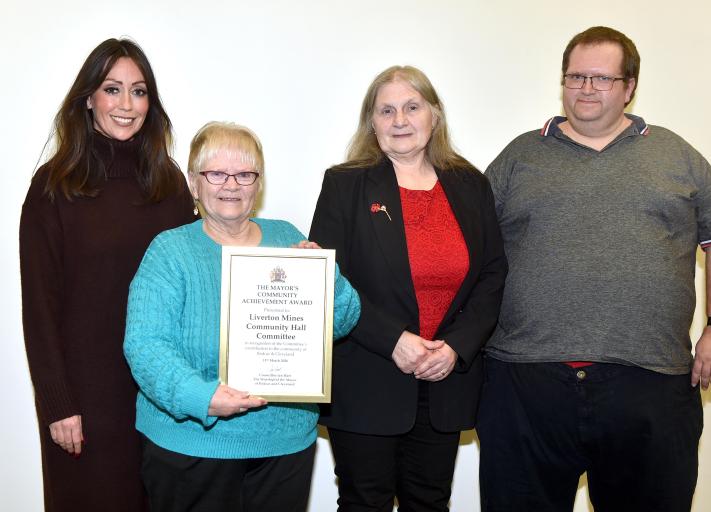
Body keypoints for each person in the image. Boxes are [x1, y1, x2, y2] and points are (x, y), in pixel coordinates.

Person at [478, 26, 711, 512]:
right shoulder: (519, 156)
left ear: (629, 87)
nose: (585, 89)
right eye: (576, 76)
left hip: (650, 382)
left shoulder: (676, 155)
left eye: (601, 79)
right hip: (526, 382)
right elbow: (469, 246)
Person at [123, 121, 361, 512]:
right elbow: (145, 346)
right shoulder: (169, 251)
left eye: (245, 173)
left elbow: (342, 321)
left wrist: (324, 275)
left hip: (283, 448)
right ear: (194, 183)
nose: (231, 184)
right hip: (193, 446)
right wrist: (200, 397)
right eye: (215, 173)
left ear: (258, 183)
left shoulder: (287, 237)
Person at [310, 65, 507, 511]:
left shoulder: (470, 184)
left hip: (444, 382)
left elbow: (493, 274)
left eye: (412, 107)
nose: (400, 119)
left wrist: (456, 348)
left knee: (430, 502)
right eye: (387, 110)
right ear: (372, 122)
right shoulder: (345, 185)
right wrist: (393, 340)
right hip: (367, 378)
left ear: (433, 116)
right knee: (365, 502)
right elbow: (328, 279)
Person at [19, 38, 195, 511]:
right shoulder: (54, 187)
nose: (126, 104)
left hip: (163, 401)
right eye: (112, 89)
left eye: (139, 92)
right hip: (85, 403)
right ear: (88, 98)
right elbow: (39, 307)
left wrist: (286, 257)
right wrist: (58, 405)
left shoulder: (170, 184)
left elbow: (203, 276)